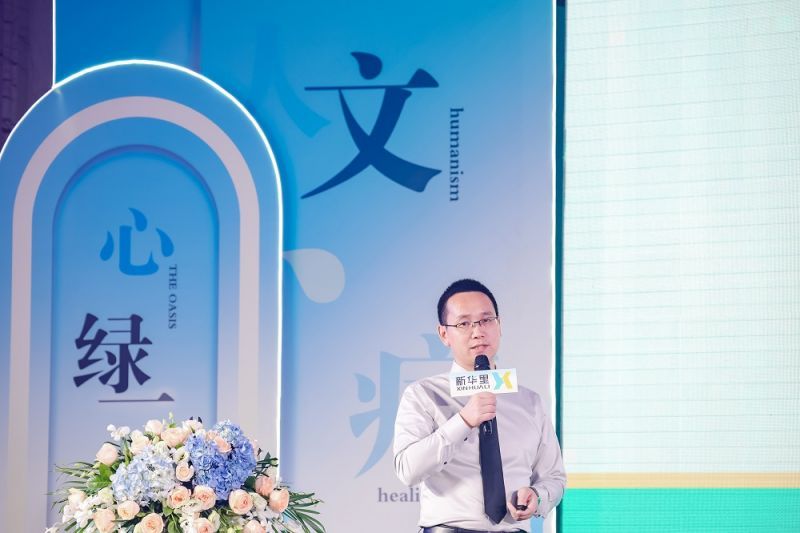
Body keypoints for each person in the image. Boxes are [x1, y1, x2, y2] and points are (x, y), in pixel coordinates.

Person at [393, 279, 566, 533]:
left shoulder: (529, 401)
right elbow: (408, 470)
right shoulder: (424, 395)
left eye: (486, 320)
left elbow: (554, 477)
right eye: (464, 324)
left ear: (499, 325)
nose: (477, 332)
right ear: (444, 334)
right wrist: (463, 421)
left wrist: (538, 496)